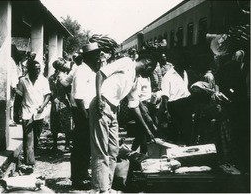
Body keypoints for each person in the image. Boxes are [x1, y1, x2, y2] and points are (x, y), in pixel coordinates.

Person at [89, 48, 157, 193]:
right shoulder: (126, 62)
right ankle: (99, 189)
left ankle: (106, 186)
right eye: (151, 71)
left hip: (113, 110)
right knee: (101, 150)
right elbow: (100, 74)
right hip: (102, 104)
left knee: (113, 150)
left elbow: (135, 106)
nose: (149, 75)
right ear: (147, 63)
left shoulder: (136, 79)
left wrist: (147, 130)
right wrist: (99, 98)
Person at [70, 43, 99, 189]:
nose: (99, 58)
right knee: (80, 146)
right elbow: (79, 98)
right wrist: (86, 117)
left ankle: (82, 173)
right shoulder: (81, 71)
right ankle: (77, 179)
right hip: (82, 112)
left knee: (86, 146)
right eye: (96, 55)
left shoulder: (90, 70)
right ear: (89, 57)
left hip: (87, 111)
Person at [15, 60, 51, 166]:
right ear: (29, 69)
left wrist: (43, 106)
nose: (37, 71)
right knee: (28, 136)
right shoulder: (23, 81)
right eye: (35, 69)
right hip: (27, 111)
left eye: (39, 69)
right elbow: (19, 96)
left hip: (39, 112)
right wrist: (16, 112)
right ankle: (29, 161)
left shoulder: (44, 80)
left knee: (36, 136)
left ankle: (32, 155)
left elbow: (48, 95)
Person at [161, 52, 193, 145]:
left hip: (186, 103)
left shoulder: (185, 72)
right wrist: (166, 111)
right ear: (178, 62)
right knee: (175, 133)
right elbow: (165, 96)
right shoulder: (168, 75)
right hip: (174, 105)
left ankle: (188, 152)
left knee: (187, 130)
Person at [48, 58, 73, 152]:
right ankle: (67, 145)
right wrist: (72, 103)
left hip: (54, 102)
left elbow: (50, 91)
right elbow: (68, 91)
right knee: (66, 124)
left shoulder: (51, 77)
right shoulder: (64, 77)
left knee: (54, 123)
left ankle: (55, 145)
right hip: (63, 101)